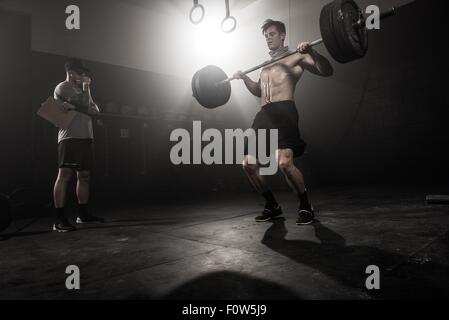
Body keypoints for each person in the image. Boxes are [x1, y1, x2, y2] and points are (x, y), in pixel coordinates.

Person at [235, 19, 333, 225]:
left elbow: (326, 71)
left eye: (272, 34)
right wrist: (244, 78)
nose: (268, 38)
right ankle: (272, 206)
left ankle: (306, 206)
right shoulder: (263, 66)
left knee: (284, 163)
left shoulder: (297, 56)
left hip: (284, 112)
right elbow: (258, 91)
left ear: (282, 36)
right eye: (266, 36)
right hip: (264, 115)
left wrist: (312, 52)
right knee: (248, 164)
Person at [52, 58, 104, 232]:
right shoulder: (63, 87)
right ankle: (59, 219)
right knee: (65, 175)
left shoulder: (80, 90)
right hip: (69, 137)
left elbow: (95, 110)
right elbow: (85, 105)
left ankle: (83, 215)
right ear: (71, 72)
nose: (83, 75)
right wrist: (86, 88)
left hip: (86, 137)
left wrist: (82, 103)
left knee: (85, 176)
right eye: (80, 72)